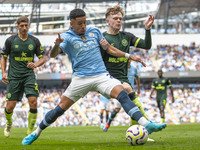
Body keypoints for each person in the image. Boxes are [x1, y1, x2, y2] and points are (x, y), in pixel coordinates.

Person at [21, 8, 166, 145]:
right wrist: (56, 45)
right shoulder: (66, 37)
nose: (83, 26)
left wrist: (129, 56)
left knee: (122, 94)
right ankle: (36, 132)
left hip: (101, 76)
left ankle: (147, 124)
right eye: (79, 23)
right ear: (71, 23)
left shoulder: (95, 32)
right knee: (60, 108)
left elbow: (109, 49)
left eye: (84, 22)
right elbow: (52, 55)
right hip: (81, 79)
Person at [101, 5, 150, 132]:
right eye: (115, 18)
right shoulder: (101, 38)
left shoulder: (127, 37)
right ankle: (148, 124)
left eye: (120, 19)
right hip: (106, 80)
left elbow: (147, 45)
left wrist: (147, 29)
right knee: (127, 89)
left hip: (123, 79)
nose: (119, 21)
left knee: (130, 96)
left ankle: (142, 130)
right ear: (108, 21)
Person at [1, 16, 46, 137]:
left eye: (26, 25)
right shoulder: (10, 40)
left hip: (28, 75)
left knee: (33, 101)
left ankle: (30, 131)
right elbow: (4, 57)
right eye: (22, 26)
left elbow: (43, 58)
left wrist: (35, 64)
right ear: (17, 27)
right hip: (14, 76)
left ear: (28, 26)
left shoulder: (34, 41)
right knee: (10, 107)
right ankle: (9, 123)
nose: (24, 28)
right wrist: (3, 72)